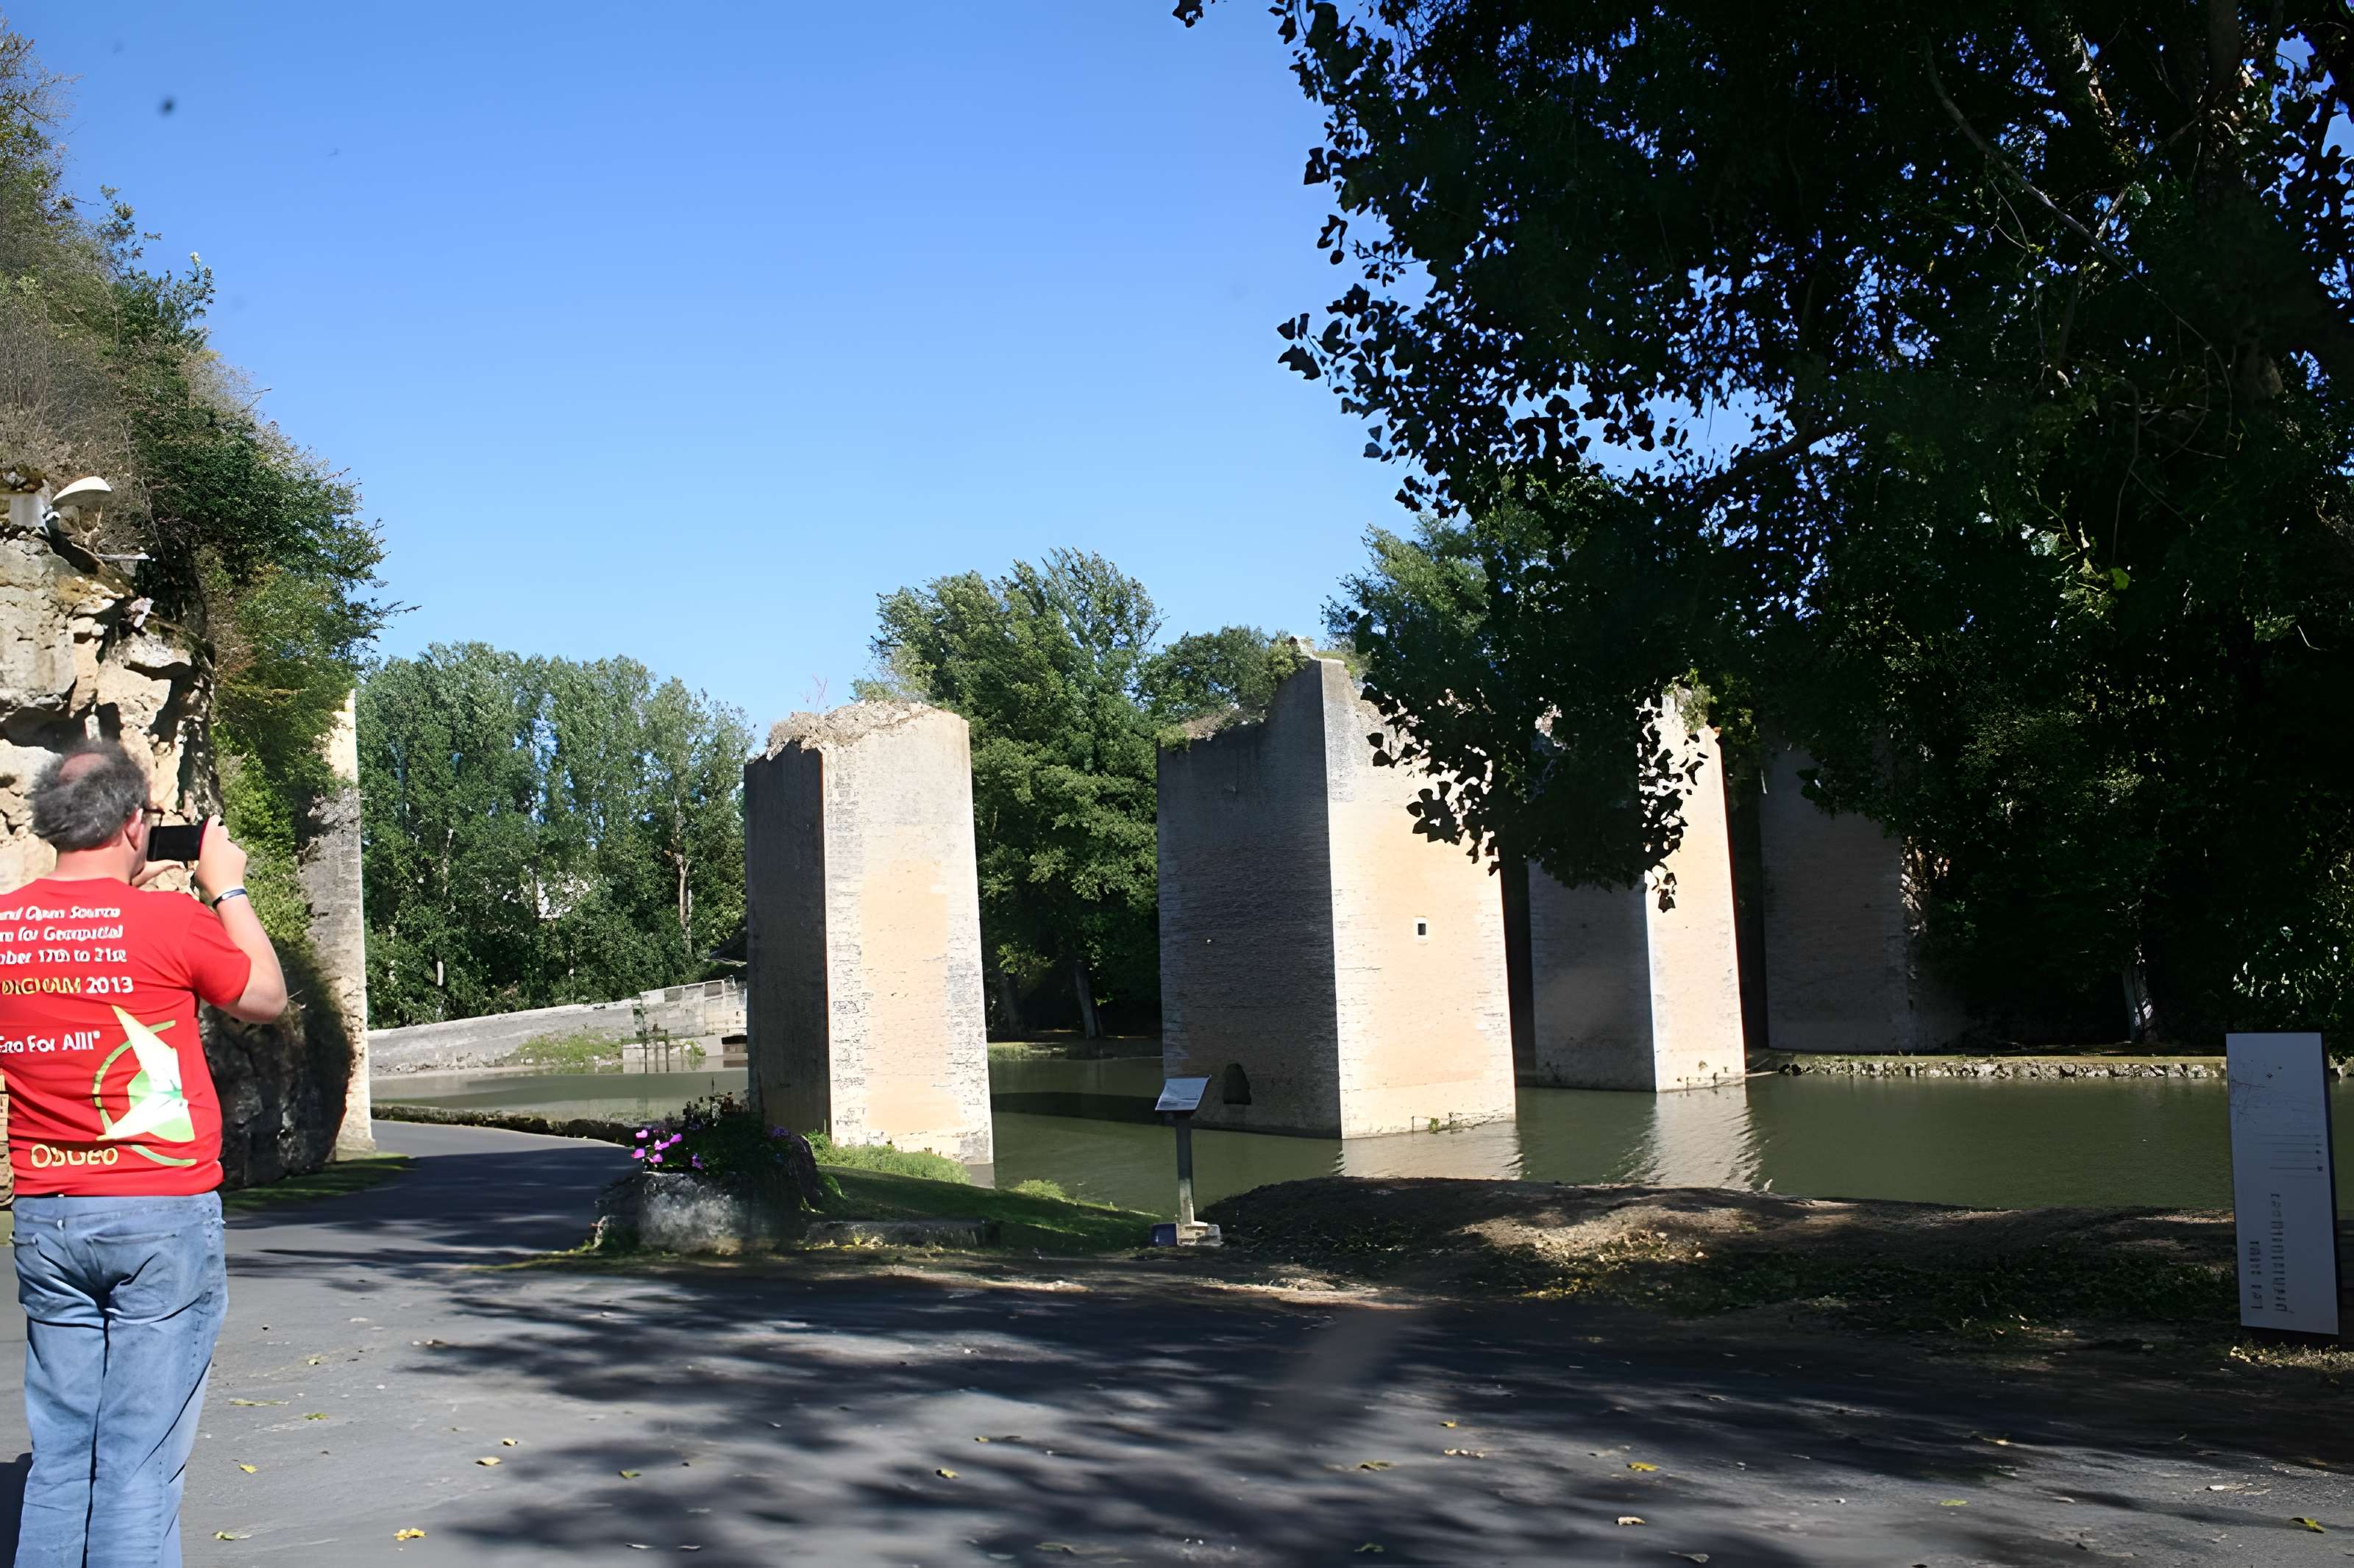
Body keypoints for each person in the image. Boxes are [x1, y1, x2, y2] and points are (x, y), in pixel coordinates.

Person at [0, 740, 287, 1567]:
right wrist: (225, 885)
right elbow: (264, 995)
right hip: (157, 1212)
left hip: (48, 1215)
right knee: (138, 1459)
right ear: (135, 825)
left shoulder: (9, 930)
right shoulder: (169, 919)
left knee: (61, 1456)